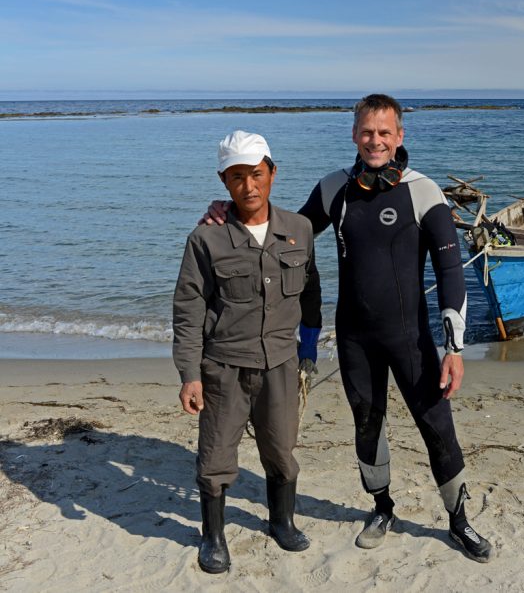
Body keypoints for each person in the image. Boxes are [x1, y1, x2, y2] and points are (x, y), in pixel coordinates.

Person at [203, 95, 493, 563]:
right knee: (367, 424)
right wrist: (230, 208)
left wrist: (454, 347)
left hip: (412, 340)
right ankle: (382, 508)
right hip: (355, 338)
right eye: (366, 132)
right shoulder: (335, 188)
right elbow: (285, 233)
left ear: (400, 137)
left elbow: (451, 273)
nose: (374, 141)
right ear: (354, 134)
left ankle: (459, 521)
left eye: (384, 133)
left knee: (436, 426)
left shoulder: (424, 192)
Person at [174, 130, 322, 574]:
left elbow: (312, 293)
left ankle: (282, 521)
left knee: (281, 451)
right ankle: (213, 537)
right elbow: (187, 309)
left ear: (272, 173)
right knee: (216, 457)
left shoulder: (299, 230)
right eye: (237, 177)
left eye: (256, 174)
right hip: (224, 368)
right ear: (224, 181)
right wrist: (190, 374)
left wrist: (309, 351)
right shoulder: (206, 239)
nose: (248, 186)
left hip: (281, 363)